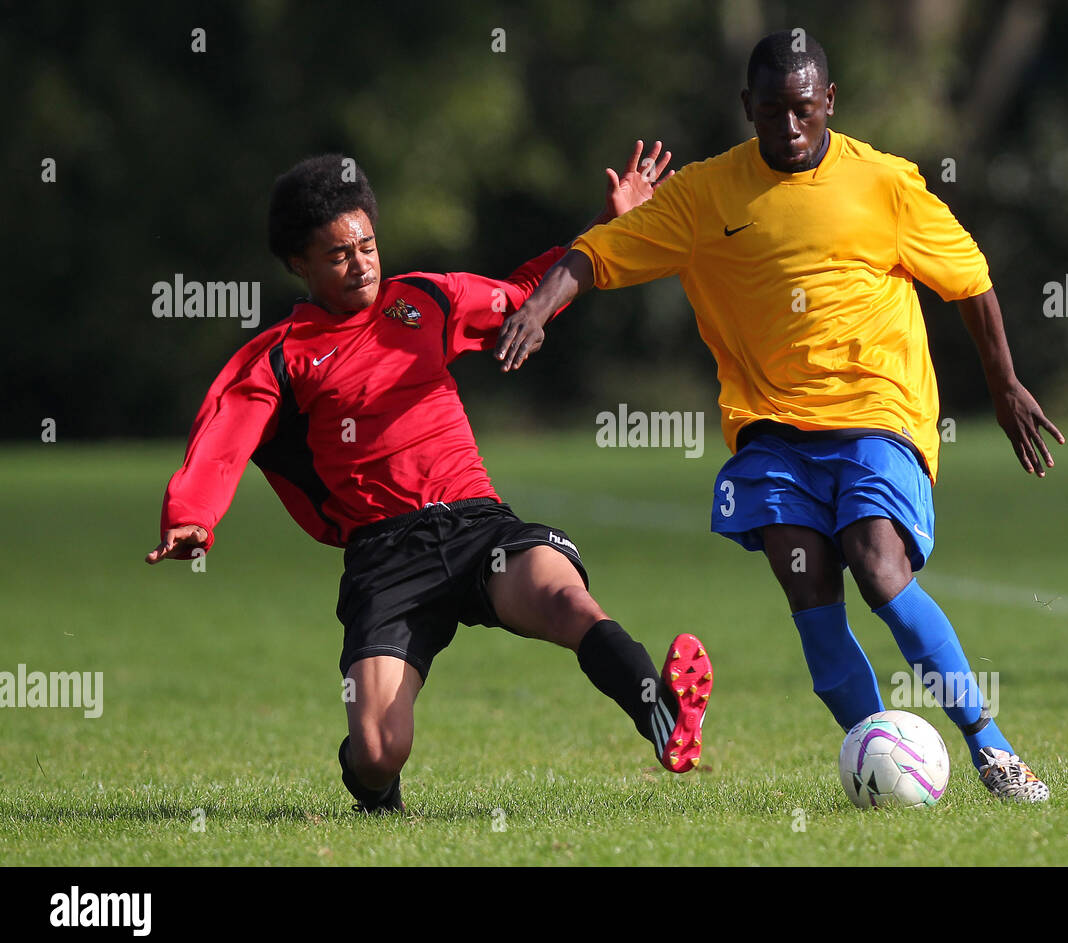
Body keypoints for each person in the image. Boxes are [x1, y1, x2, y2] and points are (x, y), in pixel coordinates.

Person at [494, 31, 1063, 801]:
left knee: (877, 562)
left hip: (877, 412)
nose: (789, 128)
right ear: (747, 109)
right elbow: (597, 253)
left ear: (829, 102)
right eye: (771, 113)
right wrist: (538, 305)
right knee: (809, 586)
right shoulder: (704, 195)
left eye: (803, 110)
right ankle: (879, 757)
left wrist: (1004, 386)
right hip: (769, 430)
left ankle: (993, 751)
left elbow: (970, 281)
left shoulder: (886, 183)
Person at [145, 143, 713, 814]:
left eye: (367, 244)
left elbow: (527, 294)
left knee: (567, 602)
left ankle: (661, 714)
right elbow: (223, 437)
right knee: (380, 750)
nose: (360, 263)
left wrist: (606, 222)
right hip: (386, 560)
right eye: (338, 254)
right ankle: (374, 791)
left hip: (478, 527)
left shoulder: (422, 301)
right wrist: (193, 515)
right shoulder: (282, 357)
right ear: (299, 264)